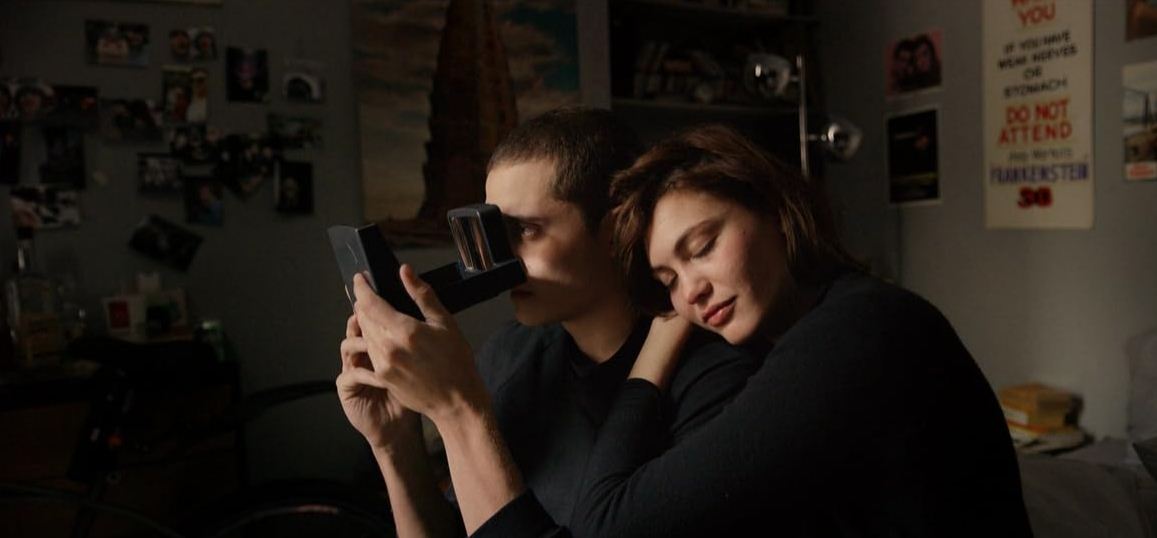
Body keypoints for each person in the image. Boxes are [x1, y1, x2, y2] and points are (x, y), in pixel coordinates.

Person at [465, 124, 1033, 536]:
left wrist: (651, 359)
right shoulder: (806, 334)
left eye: (703, 247)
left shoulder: (858, 332)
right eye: (668, 279)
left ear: (774, 210)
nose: (691, 292)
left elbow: (607, 522)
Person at [338, 107, 760, 537]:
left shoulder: (716, 383)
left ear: (617, 230)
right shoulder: (509, 353)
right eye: (493, 235)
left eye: (524, 230)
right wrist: (395, 444)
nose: (500, 261)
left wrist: (457, 409)